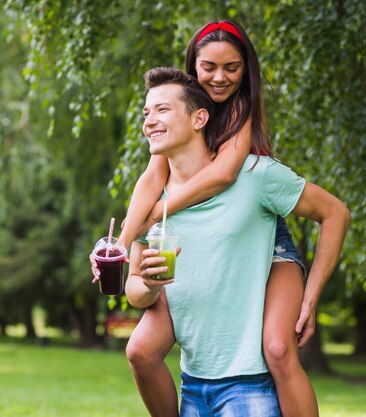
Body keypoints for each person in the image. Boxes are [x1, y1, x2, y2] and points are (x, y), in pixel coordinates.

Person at [91, 20, 330, 417]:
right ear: (194, 65)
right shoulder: (170, 122)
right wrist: (118, 245)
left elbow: (222, 176)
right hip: (197, 226)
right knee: (140, 349)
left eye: (231, 68)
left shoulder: (241, 111)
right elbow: (151, 178)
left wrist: (160, 212)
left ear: (245, 70)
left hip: (271, 244)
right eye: (209, 67)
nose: (219, 78)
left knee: (278, 347)